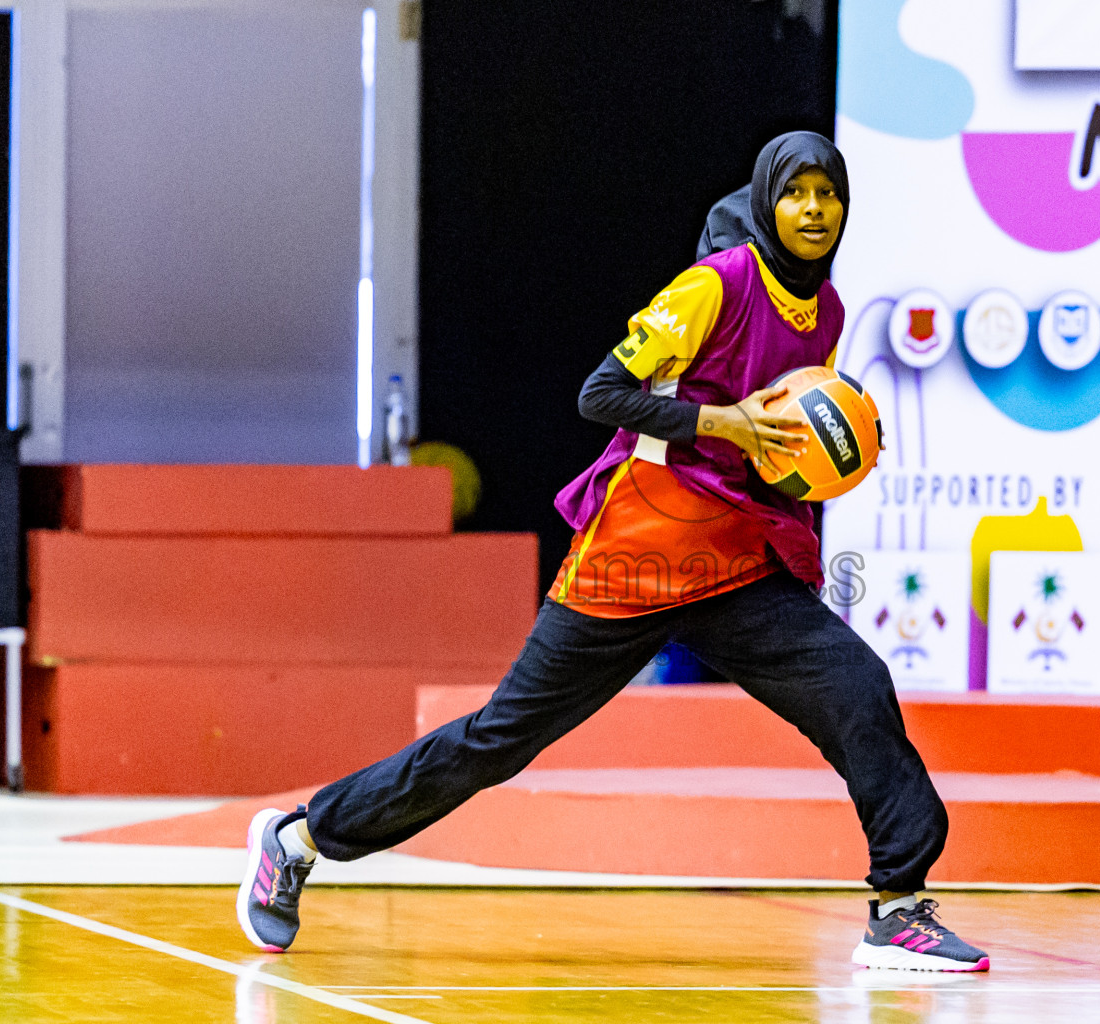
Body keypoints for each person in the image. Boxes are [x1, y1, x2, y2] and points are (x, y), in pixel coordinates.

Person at [236, 132, 989, 973]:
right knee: (499, 741)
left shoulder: (831, 313)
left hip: (734, 561)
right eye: (797, 193)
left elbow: (779, 445)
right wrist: (721, 423)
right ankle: (299, 838)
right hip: (636, 553)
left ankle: (899, 907)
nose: (814, 209)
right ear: (769, 199)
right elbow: (601, 393)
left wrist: (809, 459)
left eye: (828, 194)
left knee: (856, 685)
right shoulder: (720, 283)